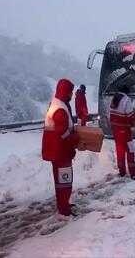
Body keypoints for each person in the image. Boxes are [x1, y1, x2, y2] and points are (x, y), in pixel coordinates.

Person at [42, 78, 79, 217]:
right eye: (71, 92)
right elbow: (62, 132)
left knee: (61, 180)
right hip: (60, 151)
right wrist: (75, 140)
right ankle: (64, 208)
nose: (71, 95)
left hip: (57, 150)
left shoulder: (58, 103)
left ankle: (63, 204)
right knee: (64, 180)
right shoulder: (60, 108)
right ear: (66, 92)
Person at [110, 85, 135, 181]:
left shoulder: (115, 97)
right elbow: (130, 115)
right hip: (124, 129)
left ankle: (122, 171)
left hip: (115, 128)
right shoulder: (126, 99)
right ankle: (133, 173)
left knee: (120, 149)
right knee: (130, 150)